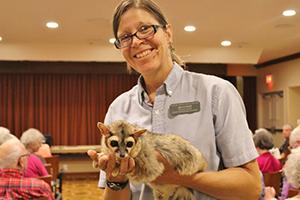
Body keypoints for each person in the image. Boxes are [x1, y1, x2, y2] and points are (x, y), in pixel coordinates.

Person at [87, 0, 261, 199]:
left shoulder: (216, 92)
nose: (135, 42)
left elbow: (251, 187)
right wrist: (116, 179)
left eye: (145, 29)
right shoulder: (118, 109)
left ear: (168, 33)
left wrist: (180, 177)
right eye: (125, 37)